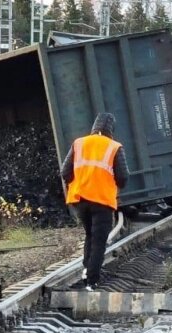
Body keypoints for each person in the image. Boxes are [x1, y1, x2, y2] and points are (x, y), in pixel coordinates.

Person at [60, 112, 129, 289]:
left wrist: (78, 183)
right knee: (99, 240)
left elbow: (65, 172)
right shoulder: (114, 147)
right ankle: (92, 280)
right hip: (102, 201)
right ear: (111, 129)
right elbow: (123, 177)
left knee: (90, 235)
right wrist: (113, 185)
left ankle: (87, 270)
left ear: (94, 126)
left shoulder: (79, 143)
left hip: (80, 200)